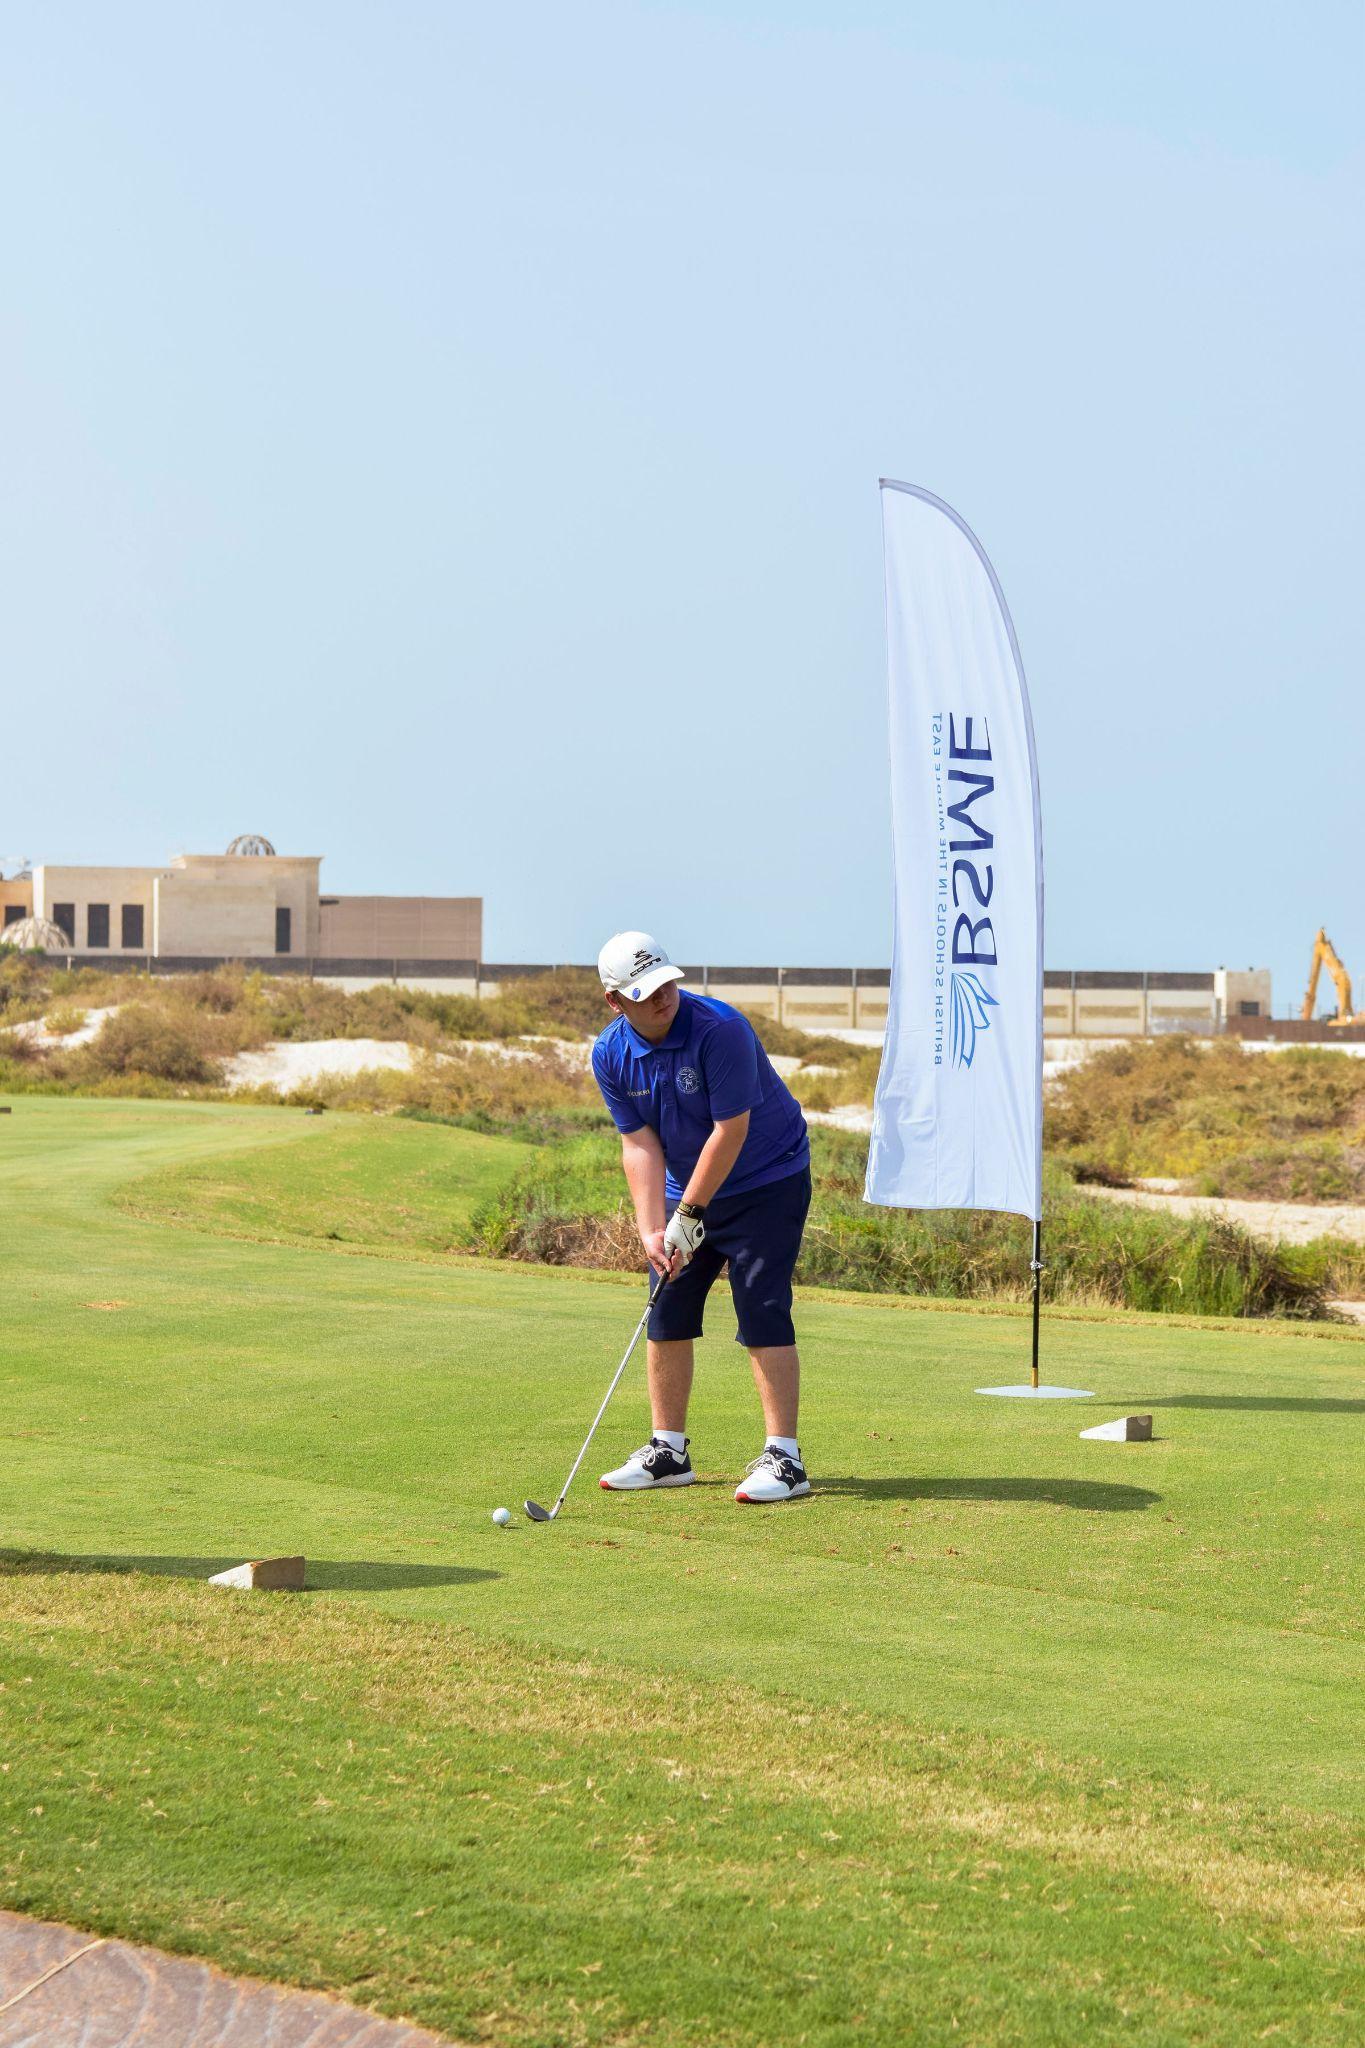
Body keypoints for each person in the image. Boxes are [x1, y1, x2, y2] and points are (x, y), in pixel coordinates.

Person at [589, 930, 812, 1503]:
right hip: (687, 1184)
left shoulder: (720, 1029)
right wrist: (651, 1227)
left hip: (767, 1178)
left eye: (666, 983)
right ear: (615, 1001)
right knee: (667, 1304)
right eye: (645, 991)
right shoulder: (610, 1054)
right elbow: (639, 1142)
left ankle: (785, 1460)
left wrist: (689, 1212)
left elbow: (730, 1130)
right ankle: (668, 1452)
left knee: (760, 1304)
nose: (663, 997)